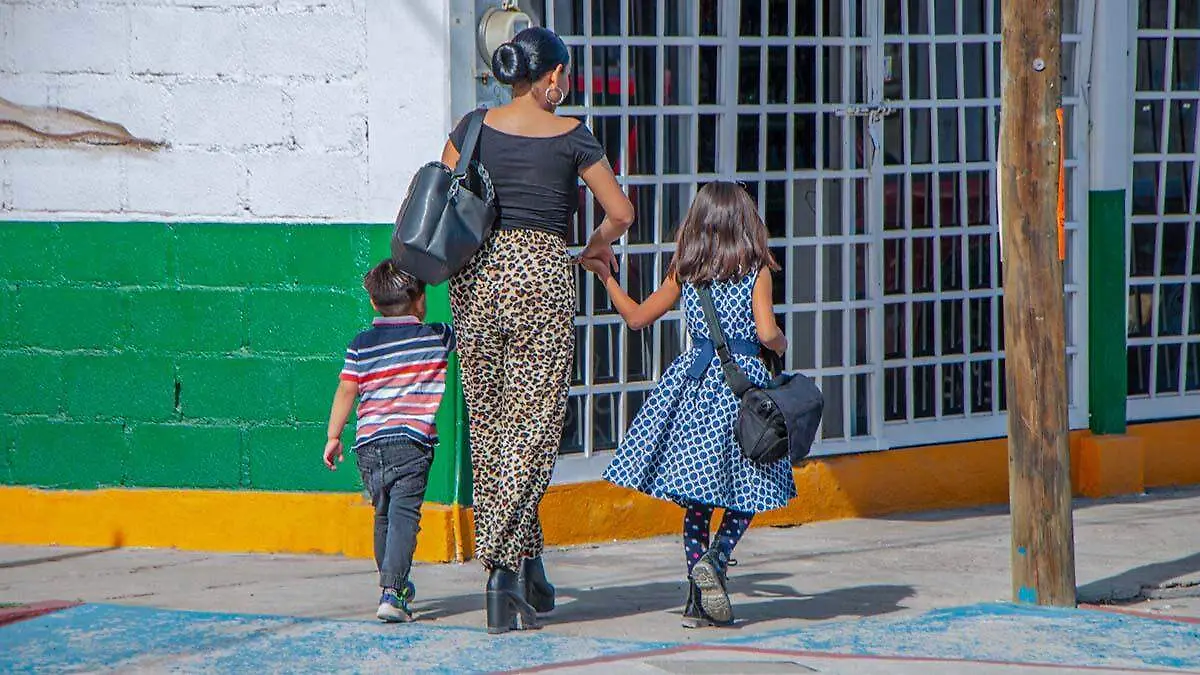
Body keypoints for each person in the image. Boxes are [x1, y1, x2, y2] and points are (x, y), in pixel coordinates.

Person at [439, 26, 635, 634]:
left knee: (493, 424)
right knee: (536, 424)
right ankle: (501, 567)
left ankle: (526, 567)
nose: (565, 86)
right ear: (550, 77)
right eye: (564, 76)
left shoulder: (471, 127)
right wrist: (595, 248)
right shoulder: (573, 136)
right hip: (543, 276)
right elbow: (621, 212)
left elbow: (443, 195)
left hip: (475, 276)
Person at [581, 182, 797, 628]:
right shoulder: (756, 271)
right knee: (754, 483)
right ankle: (716, 560)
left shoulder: (687, 269)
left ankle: (697, 597)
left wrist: (605, 276)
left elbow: (637, 317)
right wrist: (782, 341)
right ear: (745, 221)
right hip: (742, 391)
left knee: (698, 498)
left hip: (695, 388)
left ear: (697, 224)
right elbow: (765, 333)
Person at [322, 259, 456, 623]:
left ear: (372, 302)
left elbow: (347, 388)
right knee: (403, 518)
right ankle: (392, 592)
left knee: (383, 515)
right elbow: (469, 331)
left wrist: (334, 436)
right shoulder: (436, 336)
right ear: (420, 302)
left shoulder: (361, 344)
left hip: (368, 446)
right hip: (411, 444)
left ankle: (392, 583)